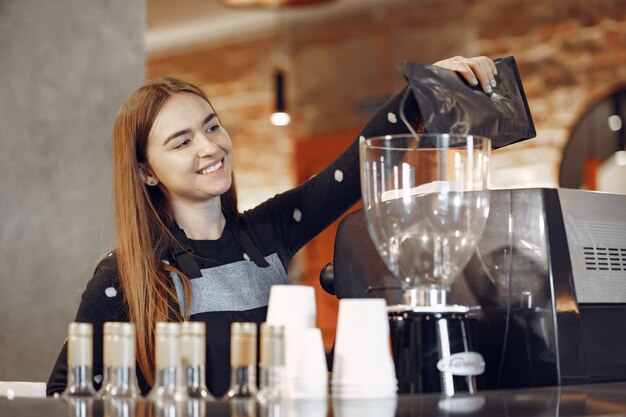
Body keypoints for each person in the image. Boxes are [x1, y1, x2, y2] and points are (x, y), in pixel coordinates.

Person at [47, 56, 498, 397]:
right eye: (182, 142)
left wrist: (423, 92)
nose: (209, 148)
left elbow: (349, 173)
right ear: (147, 172)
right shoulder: (124, 275)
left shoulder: (268, 233)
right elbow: (63, 396)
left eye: (212, 127)